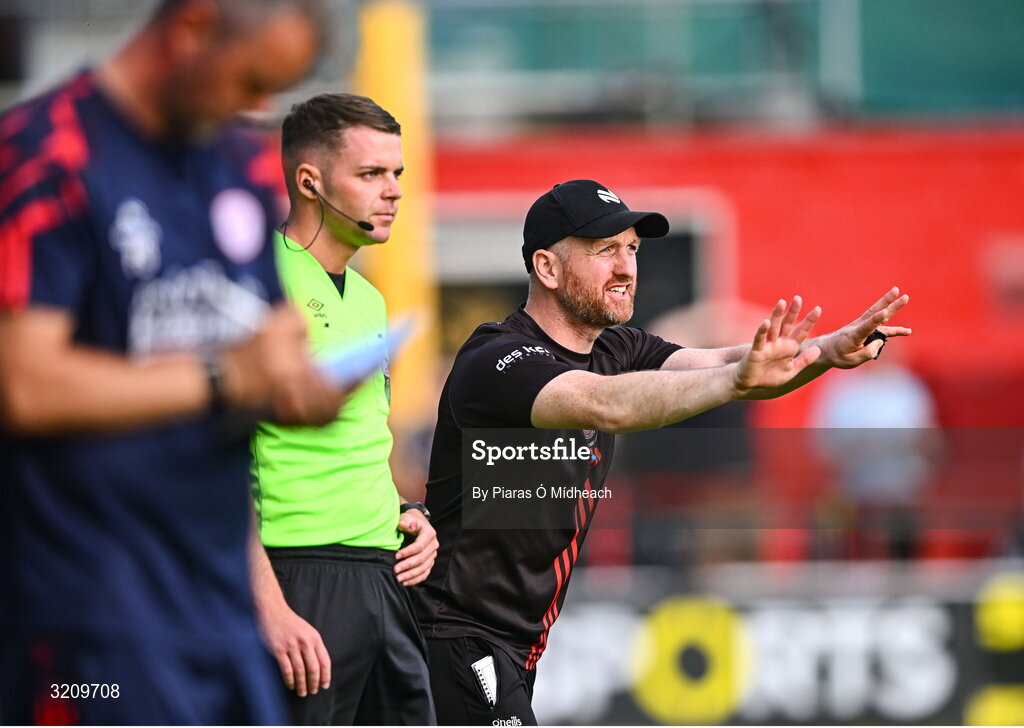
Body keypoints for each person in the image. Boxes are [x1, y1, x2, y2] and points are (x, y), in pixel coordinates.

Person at [412, 179, 911, 725]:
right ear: (548, 269)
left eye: (631, 249)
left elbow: (734, 363)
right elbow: (606, 406)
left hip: (512, 643)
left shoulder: (617, 347)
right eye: (605, 251)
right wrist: (736, 381)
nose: (626, 267)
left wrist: (829, 348)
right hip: (453, 630)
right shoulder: (498, 358)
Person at [0, 1, 338, 723]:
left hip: (221, 610)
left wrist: (296, 387)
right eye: (250, 78)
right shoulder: (45, 153)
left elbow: (260, 360)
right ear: (190, 29)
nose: (257, 104)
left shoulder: (239, 166)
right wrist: (222, 376)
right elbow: (23, 383)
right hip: (88, 621)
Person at [248, 93, 438, 725]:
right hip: (297, 577)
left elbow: (360, 442)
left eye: (397, 175)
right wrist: (270, 608)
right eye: (370, 174)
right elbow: (212, 464)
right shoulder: (256, 287)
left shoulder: (371, 300)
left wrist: (405, 513)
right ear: (310, 181)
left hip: (383, 578)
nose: (393, 191)